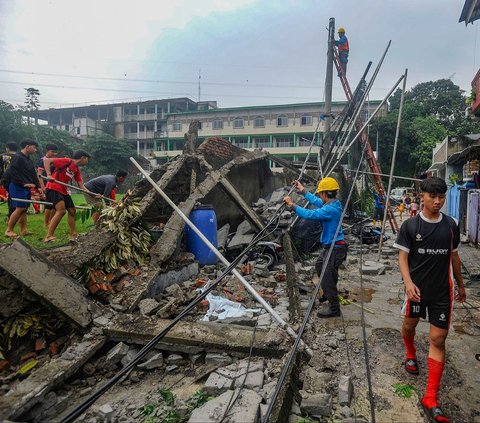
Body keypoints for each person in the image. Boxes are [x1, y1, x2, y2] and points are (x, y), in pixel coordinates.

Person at [393, 177, 466, 423]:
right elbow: (402, 258)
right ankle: (410, 351)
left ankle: (430, 397)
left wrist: (461, 284)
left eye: (441, 197)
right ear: (421, 196)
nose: (437, 202)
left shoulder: (451, 225)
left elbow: (454, 257)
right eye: (432, 196)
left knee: (438, 339)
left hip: (441, 293)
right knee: (410, 326)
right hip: (416, 291)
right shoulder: (410, 226)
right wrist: (408, 283)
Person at [284, 177, 347, 318]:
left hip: (334, 248)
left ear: (325, 194)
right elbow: (317, 202)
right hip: (331, 247)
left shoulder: (330, 210)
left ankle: (334, 308)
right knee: (320, 266)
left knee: (327, 276)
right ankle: (327, 292)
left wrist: (292, 205)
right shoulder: (333, 204)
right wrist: (303, 191)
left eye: (320, 193)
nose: (319, 196)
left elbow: (310, 214)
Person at [43, 150, 92, 242]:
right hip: (53, 187)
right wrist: (49, 175)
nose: (87, 161)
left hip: (63, 190)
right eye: (87, 159)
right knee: (61, 211)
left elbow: (81, 186)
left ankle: (73, 233)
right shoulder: (67, 161)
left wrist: (93, 195)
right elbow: (46, 160)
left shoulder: (76, 170)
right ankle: (48, 236)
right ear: (82, 158)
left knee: (72, 210)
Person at [4, 139, 42, 238]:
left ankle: (23, 230)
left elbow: (33, 174)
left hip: (26, 187)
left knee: (24, 209)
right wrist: (23, 183)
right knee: (20, 208)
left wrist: (38, 187)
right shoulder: (18, 157)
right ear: (27, 147)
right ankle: (9, 230)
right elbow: (13, 172)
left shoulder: (28, 159)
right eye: (34, 147)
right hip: (17, 186)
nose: (35, 150)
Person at [37, 143, 58, 227]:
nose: (54, 154)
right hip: (47, 184)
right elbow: (39, 174)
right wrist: (42, 186)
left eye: (55, 152)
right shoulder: (42, 160)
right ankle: (46, 223)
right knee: (49, 204)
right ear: (47, 151)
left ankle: (51, 221)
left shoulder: (54, 160)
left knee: (55, 204)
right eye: (52, 151)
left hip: (55, 184)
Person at [0, 142, 18, 218]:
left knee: (10, 196)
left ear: (7, 148)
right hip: (17, 179)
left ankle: (11, 214)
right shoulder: (20, 156)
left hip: (5, 179)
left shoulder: (2, 156)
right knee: (13, 196)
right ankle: (13, 213)